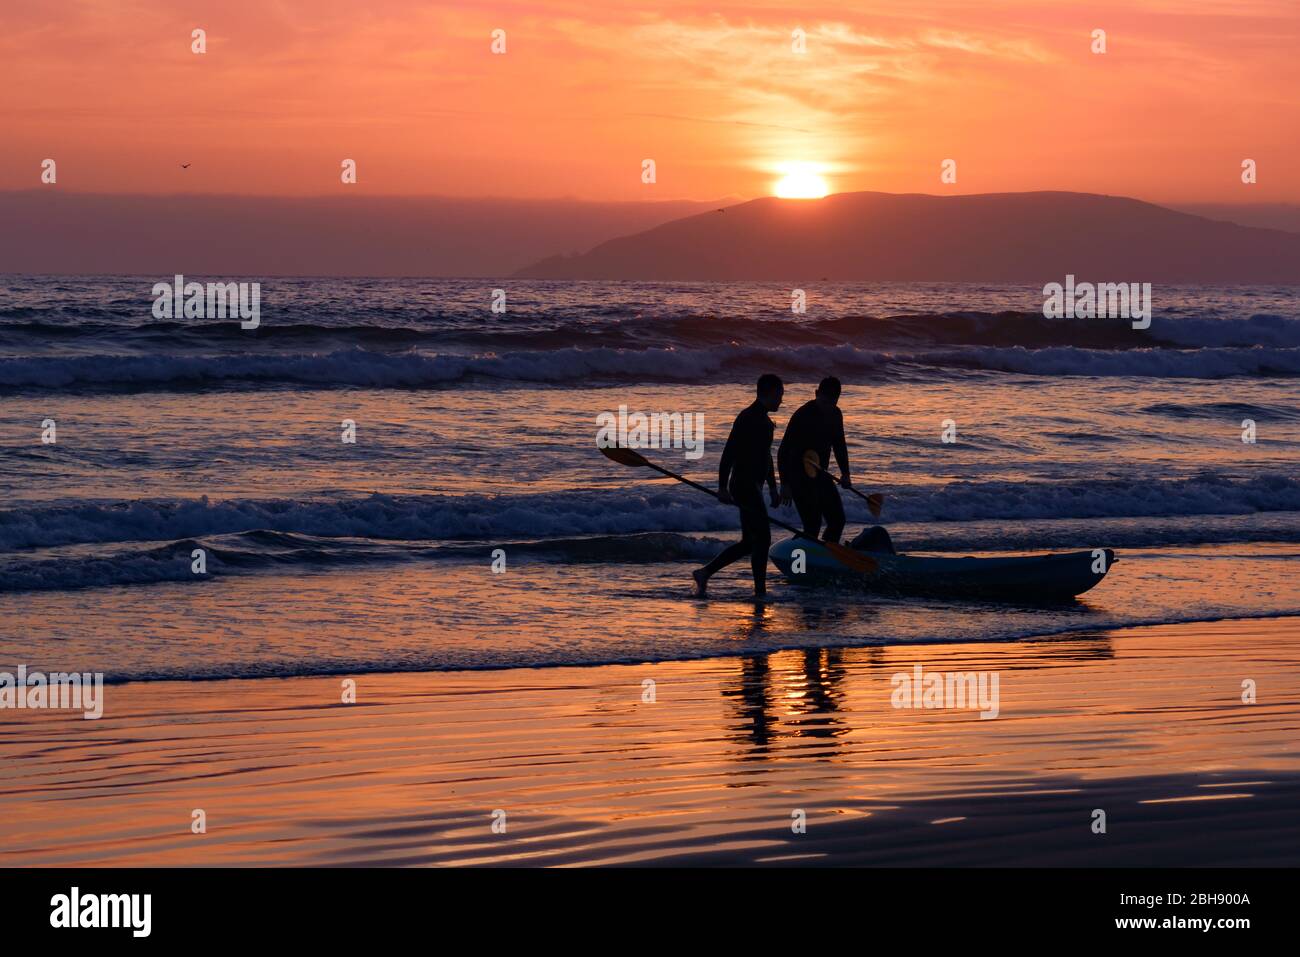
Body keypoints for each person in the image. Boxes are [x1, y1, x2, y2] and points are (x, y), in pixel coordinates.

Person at [693, 374, 784, 597]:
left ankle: (705, 572)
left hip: (754, 486)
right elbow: (729, 453)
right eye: (779, 396)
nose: (781, 401)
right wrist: (722, 487)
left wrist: (772, 487)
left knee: (750, 541)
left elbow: (766, 457)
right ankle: (760, 592)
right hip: (743, 485)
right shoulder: (748, 418)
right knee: (762, 538)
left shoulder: (764, 420)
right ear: (770, 392)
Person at [778, 376, 850, 544]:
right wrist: (785, 484)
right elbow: (783, 451)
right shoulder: (803, 415)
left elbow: (839, 445)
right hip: (799, 477)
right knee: (812, 525)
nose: (828, 407)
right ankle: (797, 558)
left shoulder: (836, 414)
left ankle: (826, 553)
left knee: (838, 520)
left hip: (821, 475)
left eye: (832, 403)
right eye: (824, 402)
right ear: (816, 393)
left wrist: (846, 473)